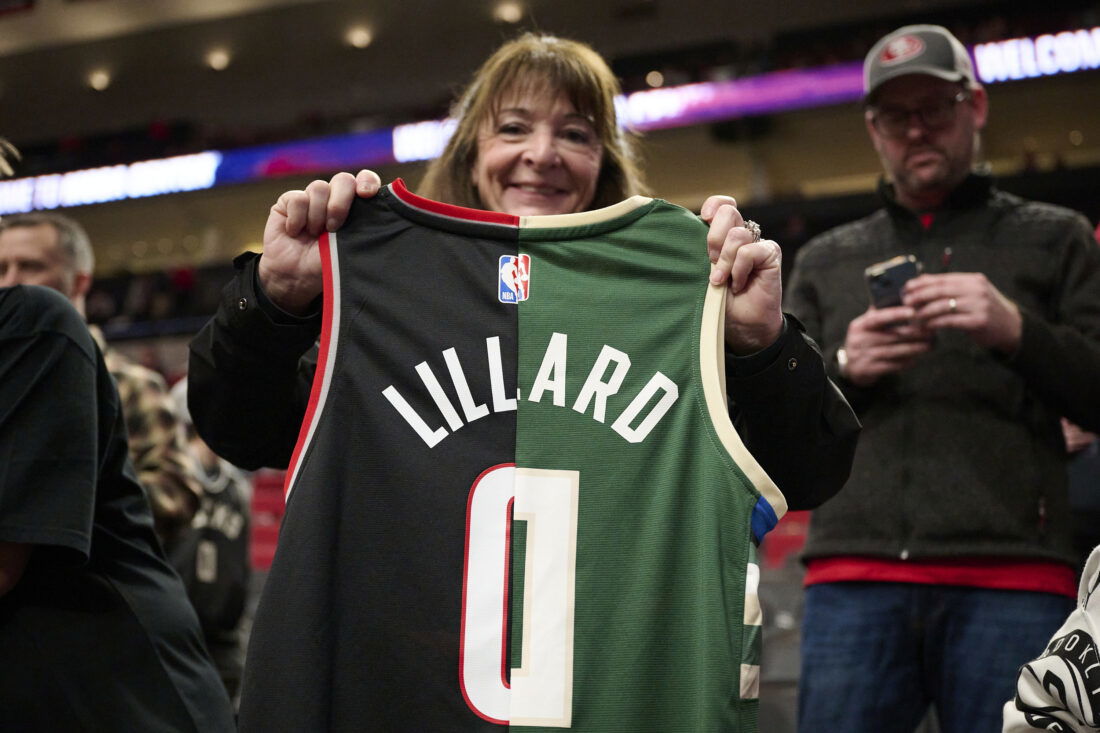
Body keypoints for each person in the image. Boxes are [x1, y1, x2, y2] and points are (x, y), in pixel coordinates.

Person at [189, 33, 860, 730]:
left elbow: (814, 466)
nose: (542, 154)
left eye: (575, 133)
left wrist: (761, 344)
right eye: (514, 127)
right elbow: (238, 426)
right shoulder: (378, 279)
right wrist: (271, 302)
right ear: (471, 146)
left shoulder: (688, 289)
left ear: (604, 160)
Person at [785, 24, 1100, 732]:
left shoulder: (1058, 237)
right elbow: (779, 432)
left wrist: (1018, 329)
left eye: (935, 107)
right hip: (853, 576)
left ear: (976, 107)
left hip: (1015, 574)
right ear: (873, 129)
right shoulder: (826, 259)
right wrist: (842, 369)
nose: (916, 128)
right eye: (897, 115)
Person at [0, 284, 236, 731]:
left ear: (79, 281)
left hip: (115, 688)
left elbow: (176, 493)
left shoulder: (33, 329)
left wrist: (65, 494)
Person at [0, 212, 203, 548]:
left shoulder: (131, 385)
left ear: (80, 282)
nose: (9, 282)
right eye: (1, 268)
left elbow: (176, 496)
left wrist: (66, 502)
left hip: (96, 584)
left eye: (30, 266)